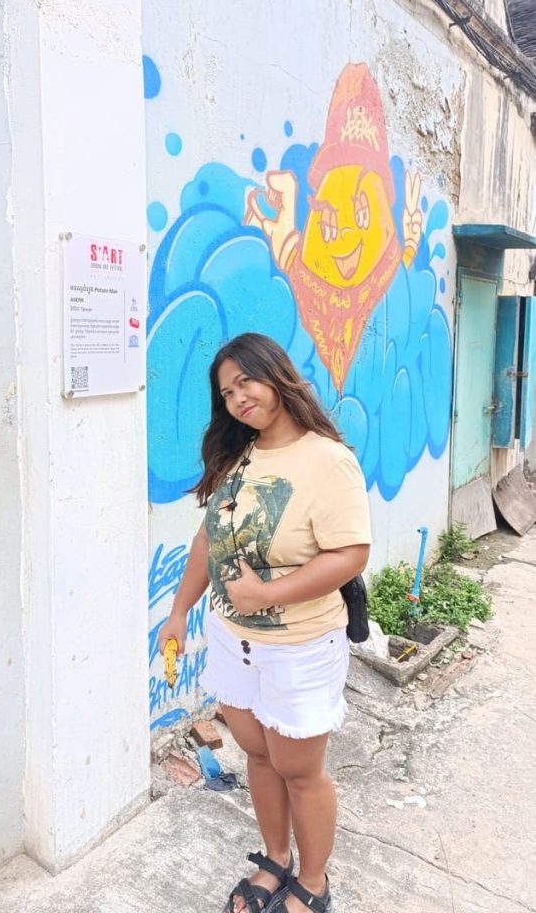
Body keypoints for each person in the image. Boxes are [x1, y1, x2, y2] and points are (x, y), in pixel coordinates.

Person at [159, 333, 371, 913]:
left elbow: (350, 553)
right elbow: (208, 537)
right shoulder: (239, 455)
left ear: (275, 375)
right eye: (227, 393)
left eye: (245, 382)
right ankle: (276, 859)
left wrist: (267, 593)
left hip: (300, 646)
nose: (238, 398)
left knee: (299, 770)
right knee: (256, 754)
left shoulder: (327, 460)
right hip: (233, 640)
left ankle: (315, 880)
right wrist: (179, 612)